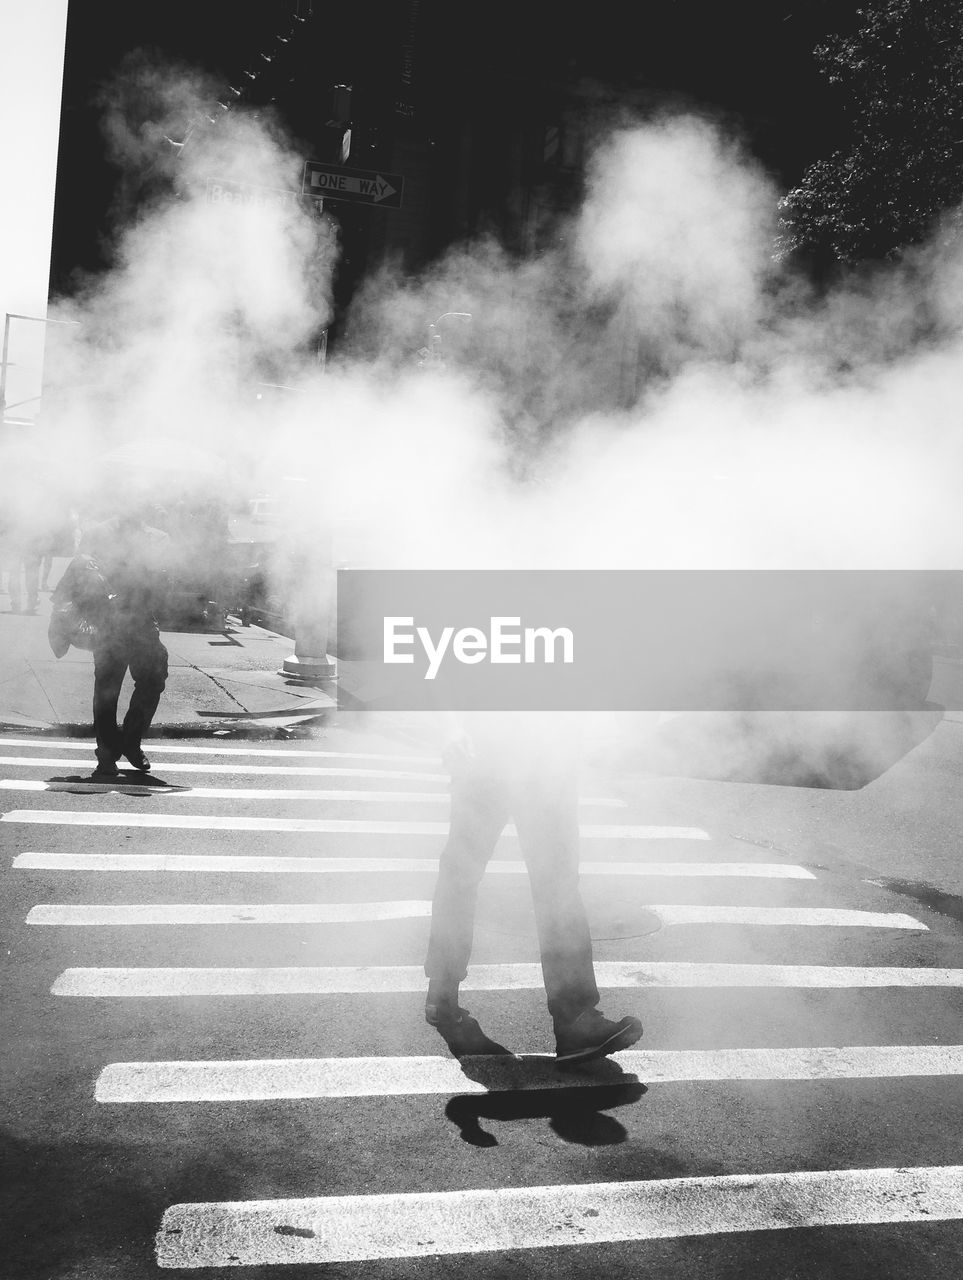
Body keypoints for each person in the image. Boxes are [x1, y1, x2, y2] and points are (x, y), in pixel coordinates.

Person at [424, 711, 643, 1067]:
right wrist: (451, 727)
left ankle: (445, 995)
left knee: (544, 881)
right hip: (499, 751)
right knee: (470, 874)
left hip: (540, 756)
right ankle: (570, 1019)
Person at [78, 505, 171, 777]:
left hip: (142, 623)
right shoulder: (98, 533)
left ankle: (130, 740)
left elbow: (165, 580)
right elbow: (79, 575)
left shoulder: (158, 538)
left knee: (152, 680)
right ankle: (107, 752)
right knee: (107, 691)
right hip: (108, 625)